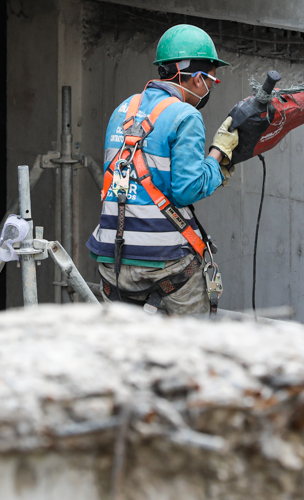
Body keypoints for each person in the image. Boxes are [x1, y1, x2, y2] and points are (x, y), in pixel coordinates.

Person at [86, 24, 241, 316]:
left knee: (124, 353)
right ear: (196, 79)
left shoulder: (124, 109)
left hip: (113, 259)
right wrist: (219, 158)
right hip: (165, 262)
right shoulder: (186, 115)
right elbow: (187, 190)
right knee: (189, 350)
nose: (210, 88)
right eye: (212, 81)